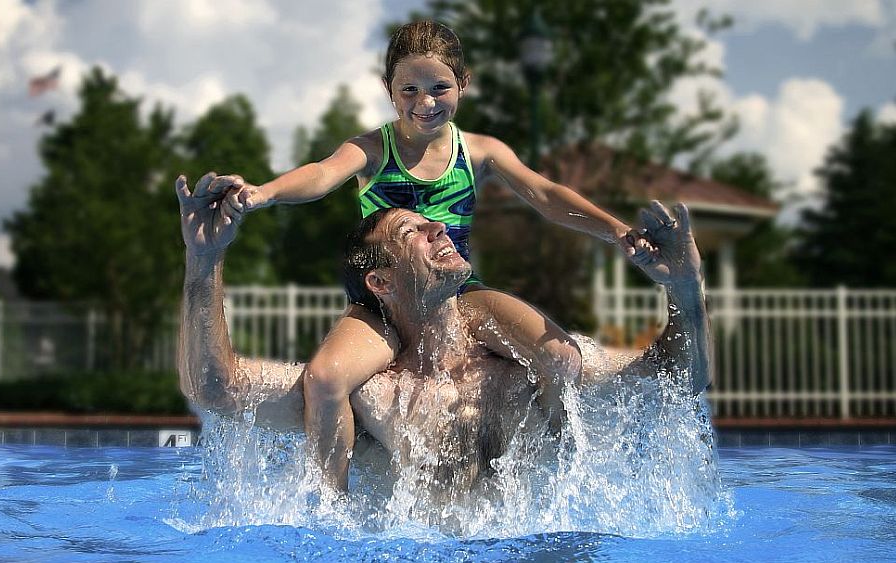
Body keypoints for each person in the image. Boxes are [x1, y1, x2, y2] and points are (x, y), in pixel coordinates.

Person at [215, 21, 656, 486]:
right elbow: (321, 175)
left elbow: (544, 194)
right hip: (385, 307)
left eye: (439, 88)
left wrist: (616, 230)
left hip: (459, 293)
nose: (424, 103)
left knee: (561, 356)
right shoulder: (370, 149)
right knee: (324, 379)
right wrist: (264, 193)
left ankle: (556, 472)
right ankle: (333, 505)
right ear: (389, 90)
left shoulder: (479, 151)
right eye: (409, 90)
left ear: (463, 84)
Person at [176, 172, 712, 495]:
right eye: (412, 230)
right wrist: (205, 260)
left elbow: (677, 379)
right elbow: (216, 389)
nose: (439, 227)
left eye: (434, 223)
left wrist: (686, 291)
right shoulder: (370, 394)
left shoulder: (528, 368)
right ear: (380, 283)